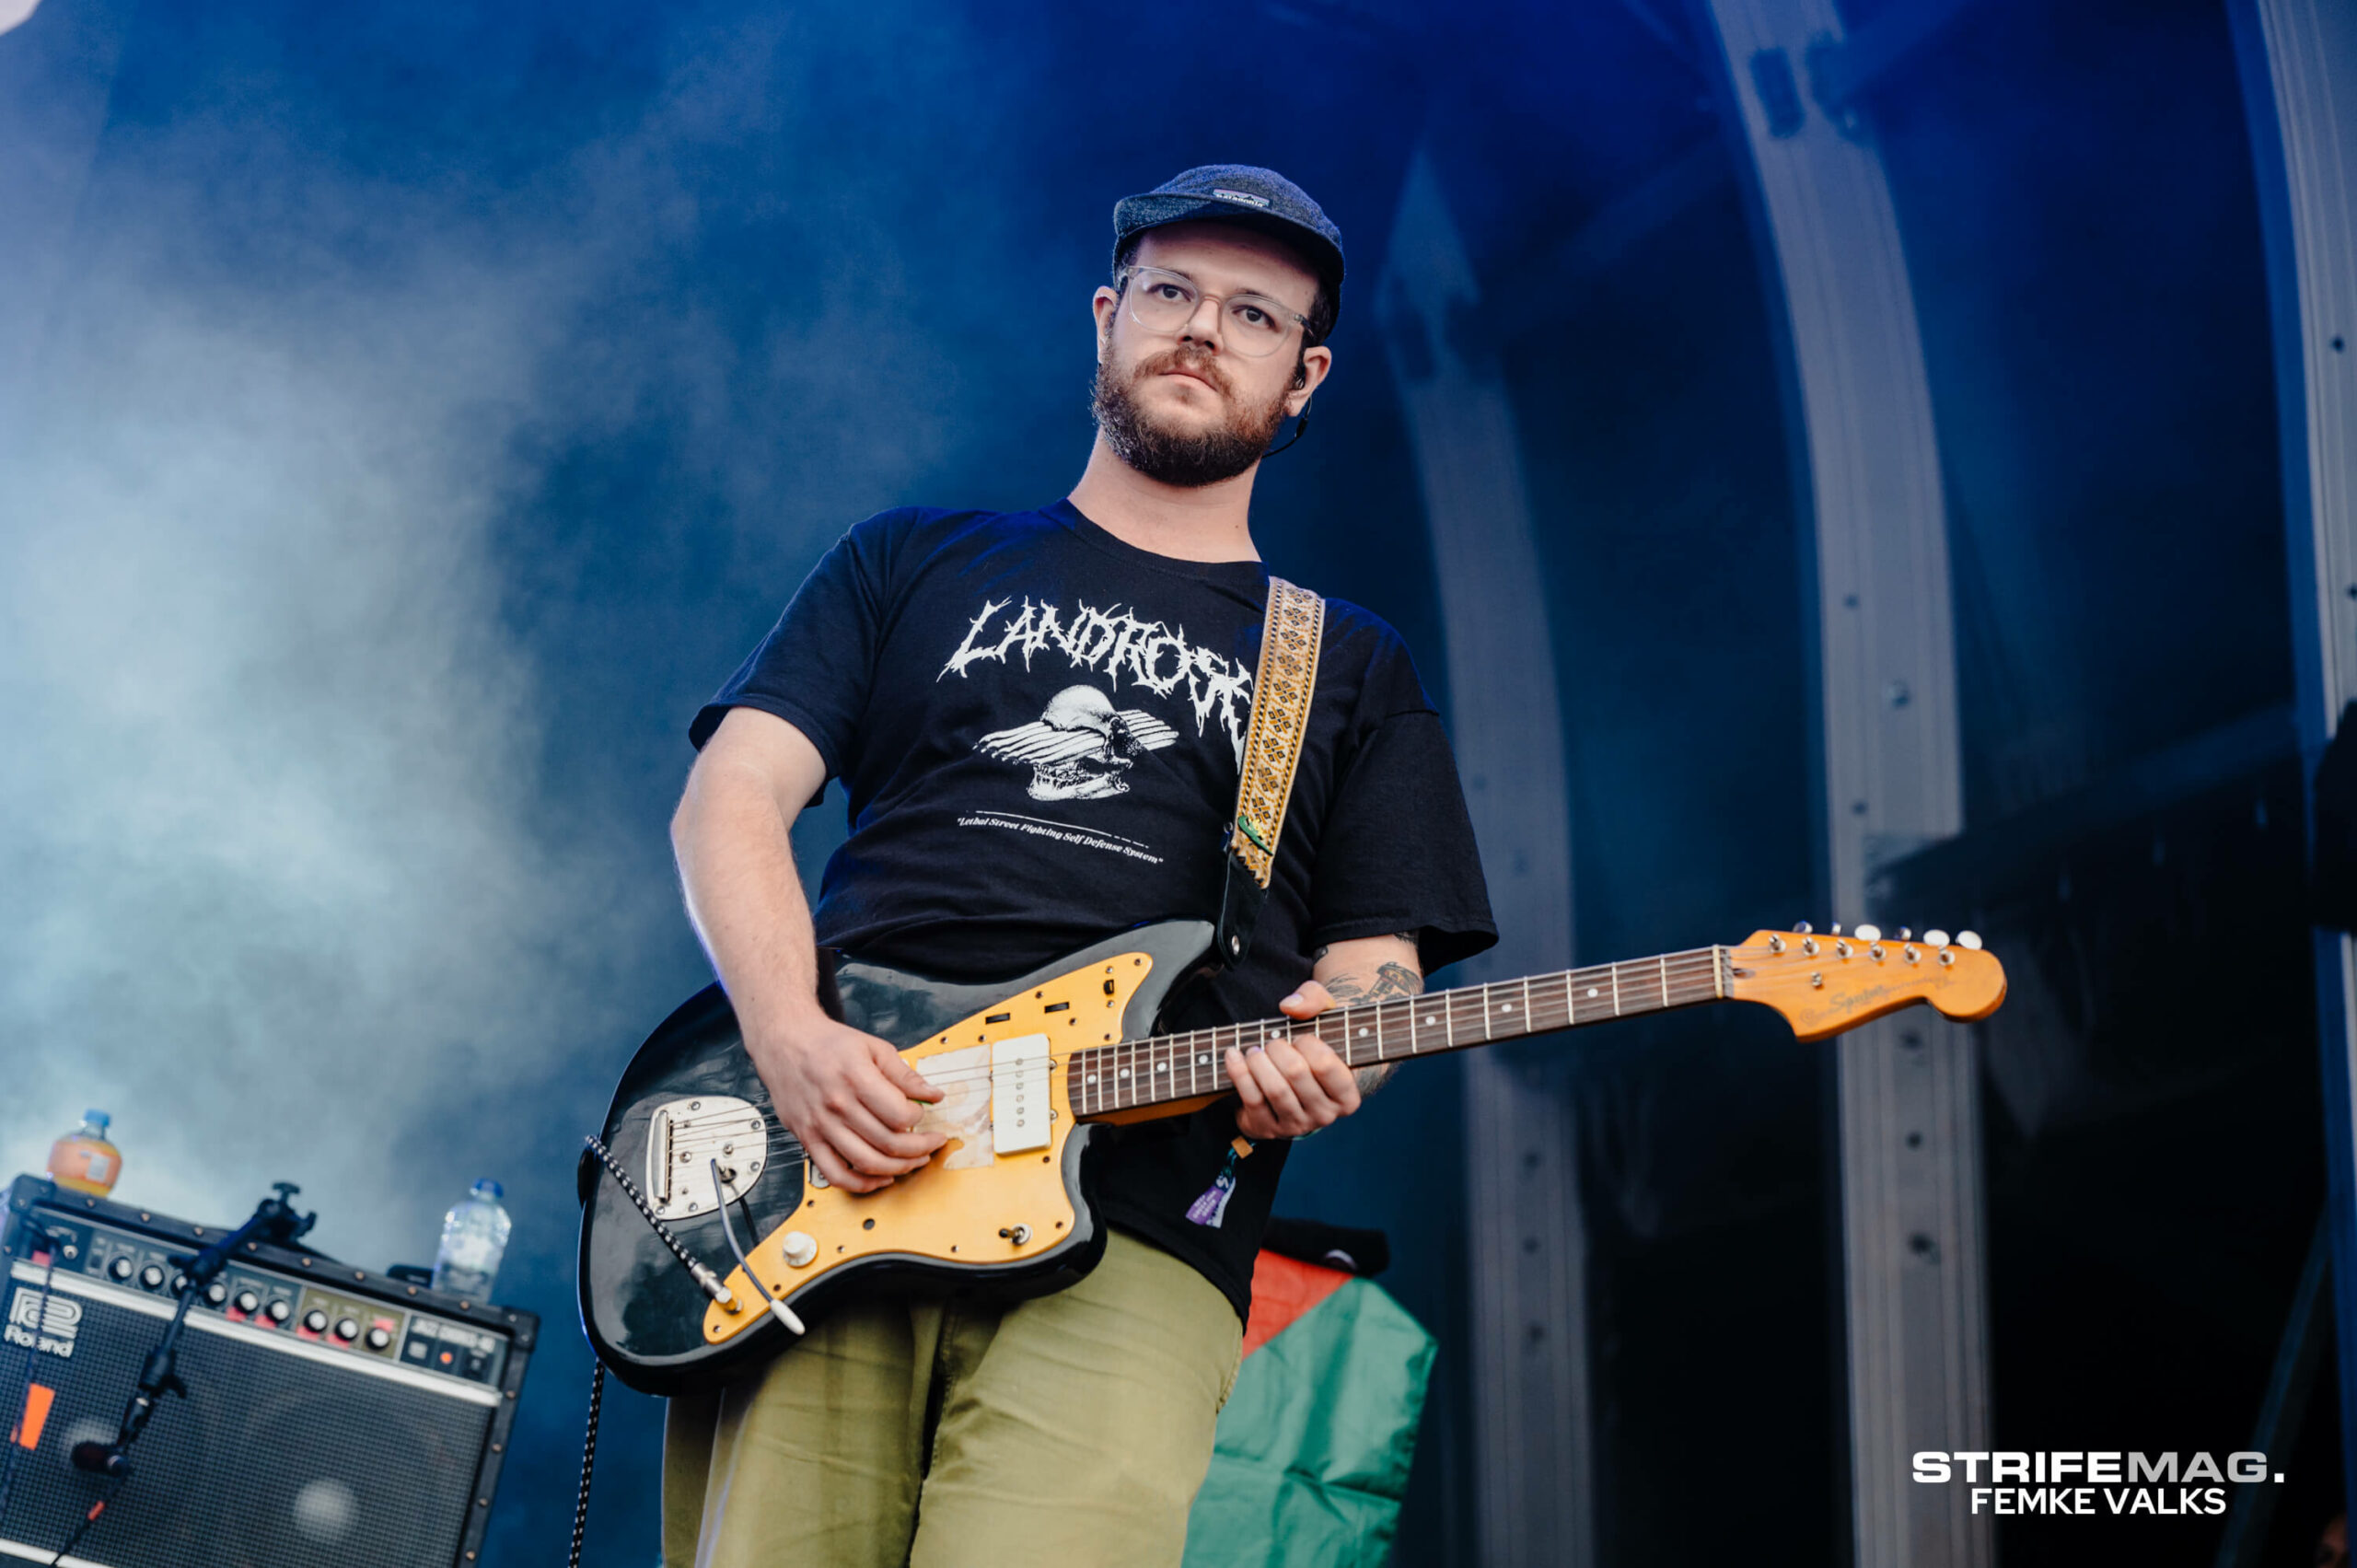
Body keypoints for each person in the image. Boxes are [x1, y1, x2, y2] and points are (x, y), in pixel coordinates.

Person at [661, 163, 1495, 1568]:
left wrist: (1339, 1051)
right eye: (1170, 291)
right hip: (835, 1170)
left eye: (1253, 313)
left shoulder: (1346, 664)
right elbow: (731, 796)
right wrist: (789, 1036)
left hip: (1145, 1219)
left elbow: (1376, 968)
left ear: (1304, 377)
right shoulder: (912, 560)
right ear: (1107, 317)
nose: (1202, 329)